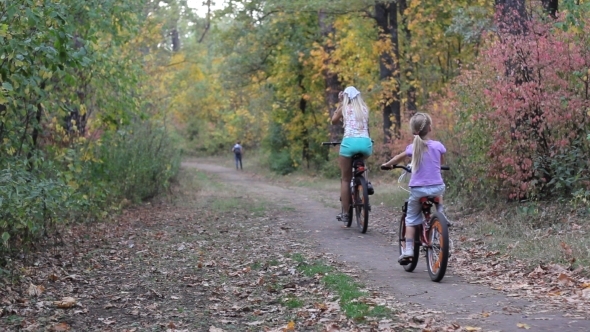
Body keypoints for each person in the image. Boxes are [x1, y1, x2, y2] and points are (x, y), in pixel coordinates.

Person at [380, 112, 447, 265]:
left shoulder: (412, 147)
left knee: (410, 219)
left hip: (418, 190)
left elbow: (397, 158)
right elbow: (441, 162)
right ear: (430, 128)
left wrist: (387, 165)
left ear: (413, 131)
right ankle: (441, 213)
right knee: (438, 190)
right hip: (436, 187)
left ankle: (408, 249)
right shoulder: (438, 146)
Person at [331, 86, 373, 225]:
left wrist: (340, 102)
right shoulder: (364, 109)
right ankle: (366, 182)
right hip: (365, 144)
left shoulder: (345, 108)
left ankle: (346, 213)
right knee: (363, 162)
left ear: (346, 97)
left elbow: (334, 120)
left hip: (349, 144)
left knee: (345, 179)